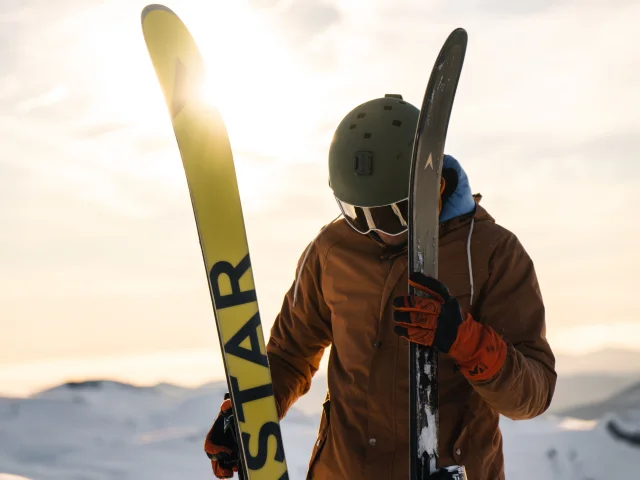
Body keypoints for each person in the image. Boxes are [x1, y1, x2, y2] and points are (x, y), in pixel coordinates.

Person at [204, 94, 557, 480]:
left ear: (434, 186)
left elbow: (533, 395)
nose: (375, 231)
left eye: (394, 215)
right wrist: (248, 413)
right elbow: (290, 354)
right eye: (357, 214)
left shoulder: (492, 253)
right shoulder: (333, 249)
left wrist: (468, 342)